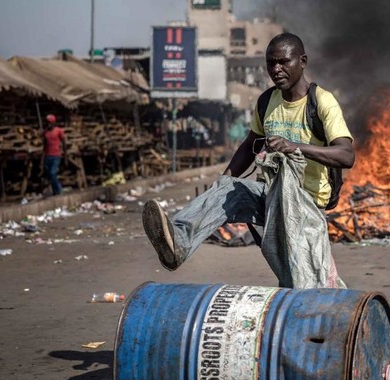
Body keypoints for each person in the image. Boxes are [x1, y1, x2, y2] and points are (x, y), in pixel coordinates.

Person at [141, 33, 354, 288]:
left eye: (283, 62)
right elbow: (248, 146)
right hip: (271, 197)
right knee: (227, 190)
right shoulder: (266, 101)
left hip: (305, 206)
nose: (276, 69)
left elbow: (346, 155)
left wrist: (294, 146)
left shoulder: (321, 102)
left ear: (302, 61)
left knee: (303, 285)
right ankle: (177, 244)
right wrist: (224, 181)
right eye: (270, 63)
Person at [42, 114, 66, 196]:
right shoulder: (45, 133)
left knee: (53, 173)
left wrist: (65, 155)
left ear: (53, 123)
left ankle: (58, 190)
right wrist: (43, 158)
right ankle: (55, 190)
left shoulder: (58, 131)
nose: (48, 124)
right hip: (48, 155)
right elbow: (45, 146)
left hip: (56, 155)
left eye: (50, 123)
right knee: (49, 174)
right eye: (47, 122)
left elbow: (63, 142)